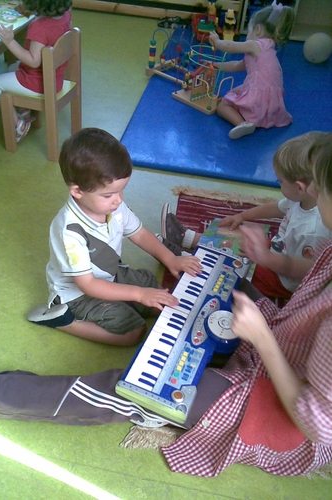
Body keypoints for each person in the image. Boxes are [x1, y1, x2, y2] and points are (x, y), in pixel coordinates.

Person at [0, 132, 332, 477]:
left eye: (320, 189)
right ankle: (66, 322)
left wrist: (263, 338)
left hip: (282, 411)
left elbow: (318, 423)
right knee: (196, 299)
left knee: (134, 387)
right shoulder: (70, 225)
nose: (312, 195)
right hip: (280, 349)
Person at [27, 128, 202, 346]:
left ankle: (134, 297)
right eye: (109, 194)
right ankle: (62, 321)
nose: (118, 200)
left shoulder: (112, 206)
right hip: (77, 294)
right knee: (133, 332)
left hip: (106, 274)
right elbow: (88, 285)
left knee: (152, 287)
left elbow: (139, 234)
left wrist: (170, 259)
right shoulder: (69, 231)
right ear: (77, 191)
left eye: (122, 191)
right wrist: (138, 295)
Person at [159, 132, 332, 301]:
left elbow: (308, 272)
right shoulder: (301, 199)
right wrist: (242, 216)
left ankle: (188, 260)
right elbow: (276, 207)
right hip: (278, 249)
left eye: (280, 181)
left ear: (300, 188)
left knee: (230, 270)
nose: (278, 184)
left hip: (281, 279)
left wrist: (267, 258)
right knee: (241, 238)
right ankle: (189, 239)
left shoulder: (315, 231)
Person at [209, 1, 294, 139]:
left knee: (222, 106)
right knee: (242, 89)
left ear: (258, 30)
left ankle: (242, 123)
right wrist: (216, 65)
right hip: (273, 101)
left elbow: (229, 46)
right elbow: (236, 65)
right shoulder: (268, 49)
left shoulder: (256, 45)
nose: (248, 35)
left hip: (258, 97)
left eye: (249, 31)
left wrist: (217, 42)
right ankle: (258, 117)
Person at [0, 0, 72, 143]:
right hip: (55, 77)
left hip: (38, 83)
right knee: (11, 68)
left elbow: (33, 61)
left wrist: (10, 42)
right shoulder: (66, 15)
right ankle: (24, 111)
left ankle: (18, 125)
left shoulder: (39, 27)